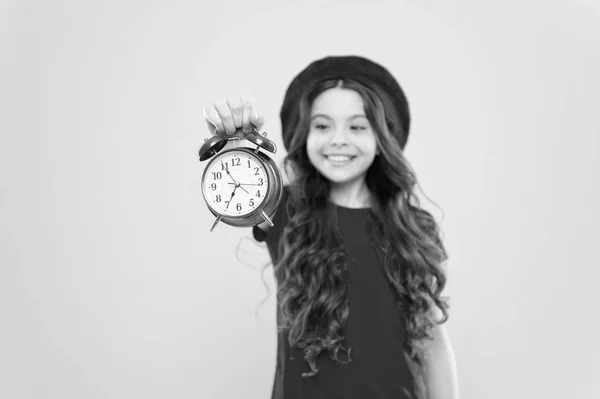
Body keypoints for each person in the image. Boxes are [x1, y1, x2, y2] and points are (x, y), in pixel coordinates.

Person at [202, 55, 459, 399]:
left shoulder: (413, 228)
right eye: (322, 126)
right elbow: (240, 186)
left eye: (357, 126)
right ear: (304, 134)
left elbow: (433, 345)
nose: (338, 139)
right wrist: (234, 142)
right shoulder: (286, 210)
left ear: (382, 138)